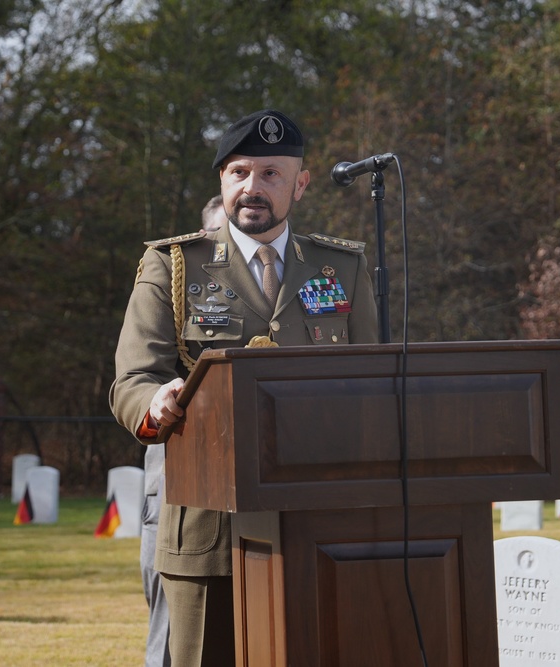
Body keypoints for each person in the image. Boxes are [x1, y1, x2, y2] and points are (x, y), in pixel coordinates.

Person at [110, 109, 379, 667]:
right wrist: (154, 403)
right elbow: (133, 379)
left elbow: (372, 385)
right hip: (208, 523)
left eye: (271, 174)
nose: (252, 188)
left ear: (300, 184)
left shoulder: (341, 269)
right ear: (222, 182)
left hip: (317, 521)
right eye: (239, 172)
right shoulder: (175, 265)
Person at [138, 192, 225, 667]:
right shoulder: (176, 281)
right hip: (178, 477)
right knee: (173, 625)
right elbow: (140, 375)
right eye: (215, 235)